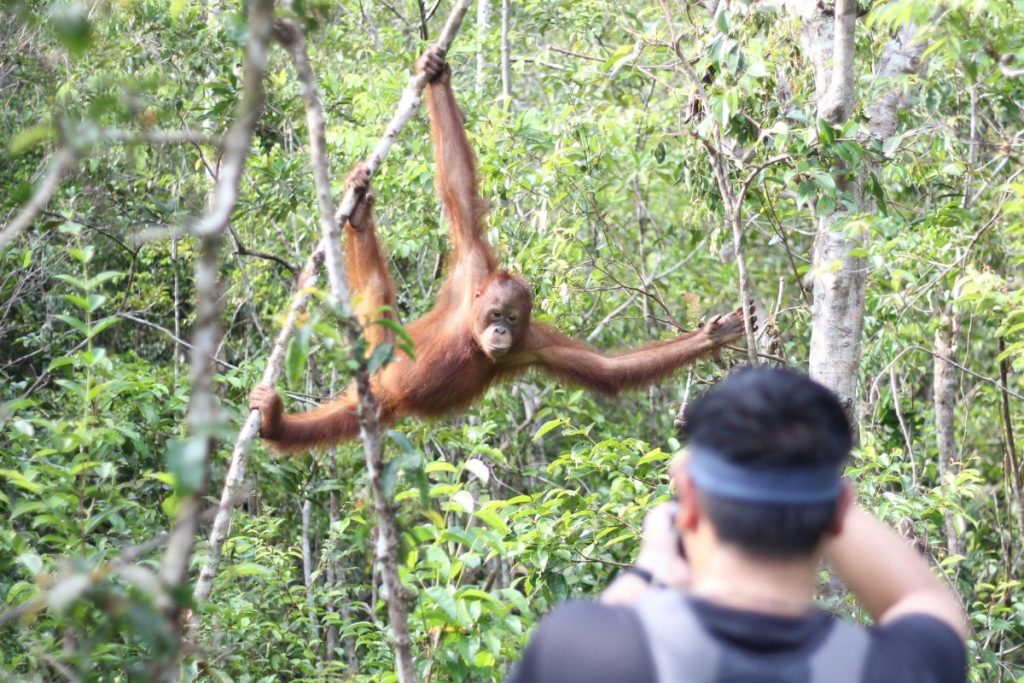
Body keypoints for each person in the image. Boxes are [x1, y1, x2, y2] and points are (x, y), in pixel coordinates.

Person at [505, 367, 968, 683]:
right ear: (839, 514)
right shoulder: (897, 669)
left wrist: (648, 572)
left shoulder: (583, 650)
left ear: (688, 501)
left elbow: (604, 625)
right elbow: (923, 600)